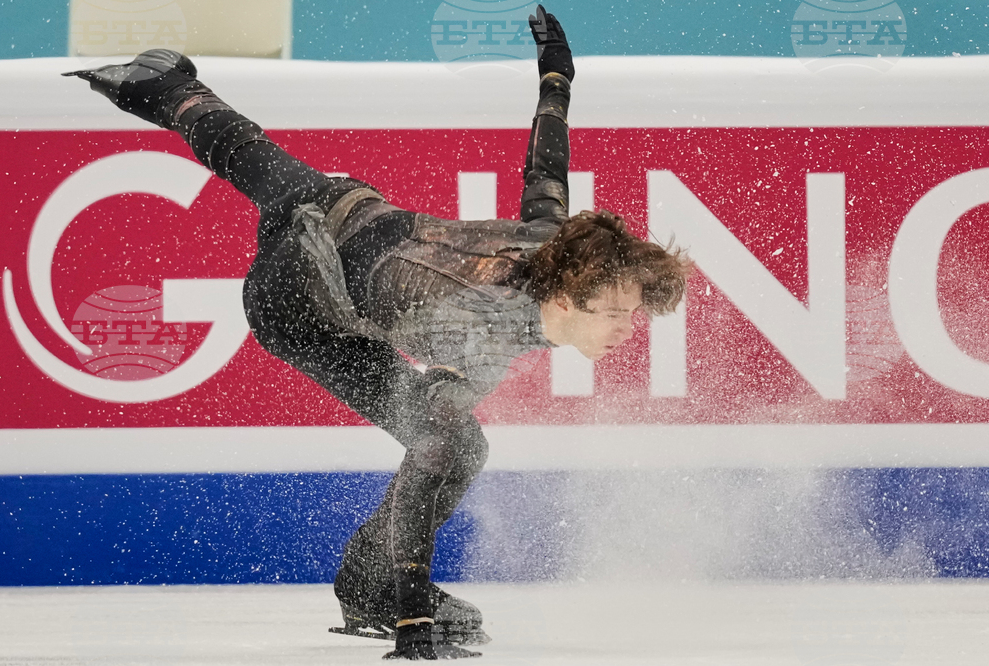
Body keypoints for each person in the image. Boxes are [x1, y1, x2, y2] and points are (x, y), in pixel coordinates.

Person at [65, 6, 690, 660]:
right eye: (616, 312)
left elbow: (546, 172)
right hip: (298, 304)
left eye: (633, 313)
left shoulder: (551, 247)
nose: (627, 329)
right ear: (566, 298)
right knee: (451, 440)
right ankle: (380, 590)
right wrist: (414, 615)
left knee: (292, 187)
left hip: (355, 221)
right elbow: (426, 464)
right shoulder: (474, 330)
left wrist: (556, 75)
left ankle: (162, 86)